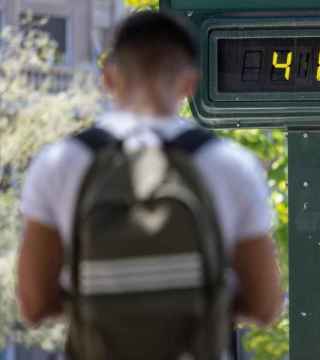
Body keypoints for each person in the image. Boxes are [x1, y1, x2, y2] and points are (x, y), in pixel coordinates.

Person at [16, 10, 282, 358]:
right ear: (190, 83)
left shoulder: (59, 163)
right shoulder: (231, 165)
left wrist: (105, 302)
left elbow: (34, 306)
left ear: (109, 78)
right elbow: (265, 306)